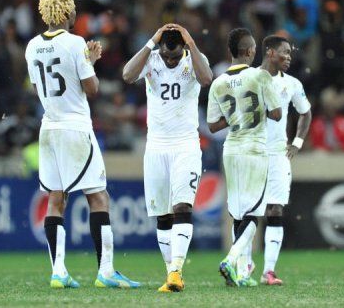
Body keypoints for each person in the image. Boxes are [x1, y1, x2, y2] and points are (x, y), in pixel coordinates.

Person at [25, 0, 139, 289]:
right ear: (66, 12)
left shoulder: (32, 46)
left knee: (55, 199)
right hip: (75, 128)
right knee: (98, 196)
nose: (76, 11)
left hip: (49, 128)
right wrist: (88, 61)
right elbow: (92, 89)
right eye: (72, 7)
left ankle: (58, 272)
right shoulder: (75, 43)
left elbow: (38, 89)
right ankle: (106, 271)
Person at [122, 23, 213, 292]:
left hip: (185, 144)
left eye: (175, 56)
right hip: (156, 146)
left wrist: (192, 43)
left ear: (183, 48)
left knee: (182, 207)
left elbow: (206, 79)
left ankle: (176, 271)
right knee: (162, 216)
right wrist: (152, 41)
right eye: (166, 55)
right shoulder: (152, 58)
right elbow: (127, 75)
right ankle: (171, 273)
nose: (170, 60)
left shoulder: (194, 60)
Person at [207, 28, 282, 287]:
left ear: (230, 51)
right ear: (250, 51)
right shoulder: (260, 76)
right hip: (255, 149)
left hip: (231, 149)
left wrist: (235, 115)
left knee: (238, 212)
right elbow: (277, 114)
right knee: (253, 213)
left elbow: (213, 125)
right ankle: (231, 260)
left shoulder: (218, 82)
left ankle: (240, 274)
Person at [242, 35, 312, 286]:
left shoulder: (292, 83)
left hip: (277, 153)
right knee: (247, 211)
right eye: (285, 52)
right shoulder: (246, 78)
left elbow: (305, 112)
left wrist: (297, 143)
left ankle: (268, 271)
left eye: (291, 53)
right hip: (249, 152)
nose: (289, 57)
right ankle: (243, 266)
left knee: (275, 209)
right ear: (270, 52)